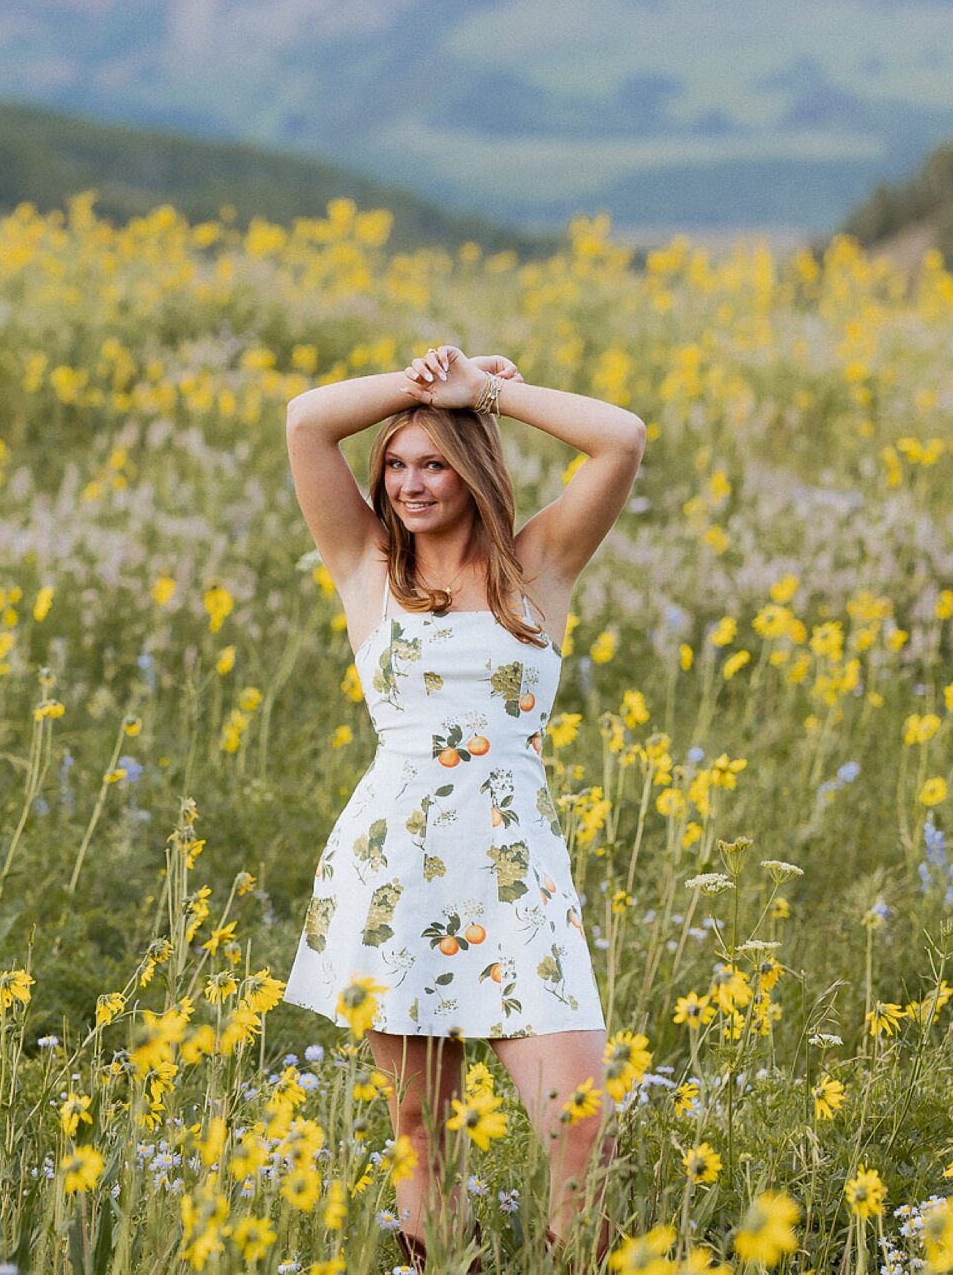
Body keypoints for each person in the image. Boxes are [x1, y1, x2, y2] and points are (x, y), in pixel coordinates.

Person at [280, 343, 645, 1269]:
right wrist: (410, 387)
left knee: (579, 1126)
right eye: (396, 465)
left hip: (516, 870)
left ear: (473, 468)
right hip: (394, 865)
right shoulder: (367, 566)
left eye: (433, 461)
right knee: (419, 1120)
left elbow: (622, 440)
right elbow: (307, 419)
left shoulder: (540, 567)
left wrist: (482, 394)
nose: (410, 483)